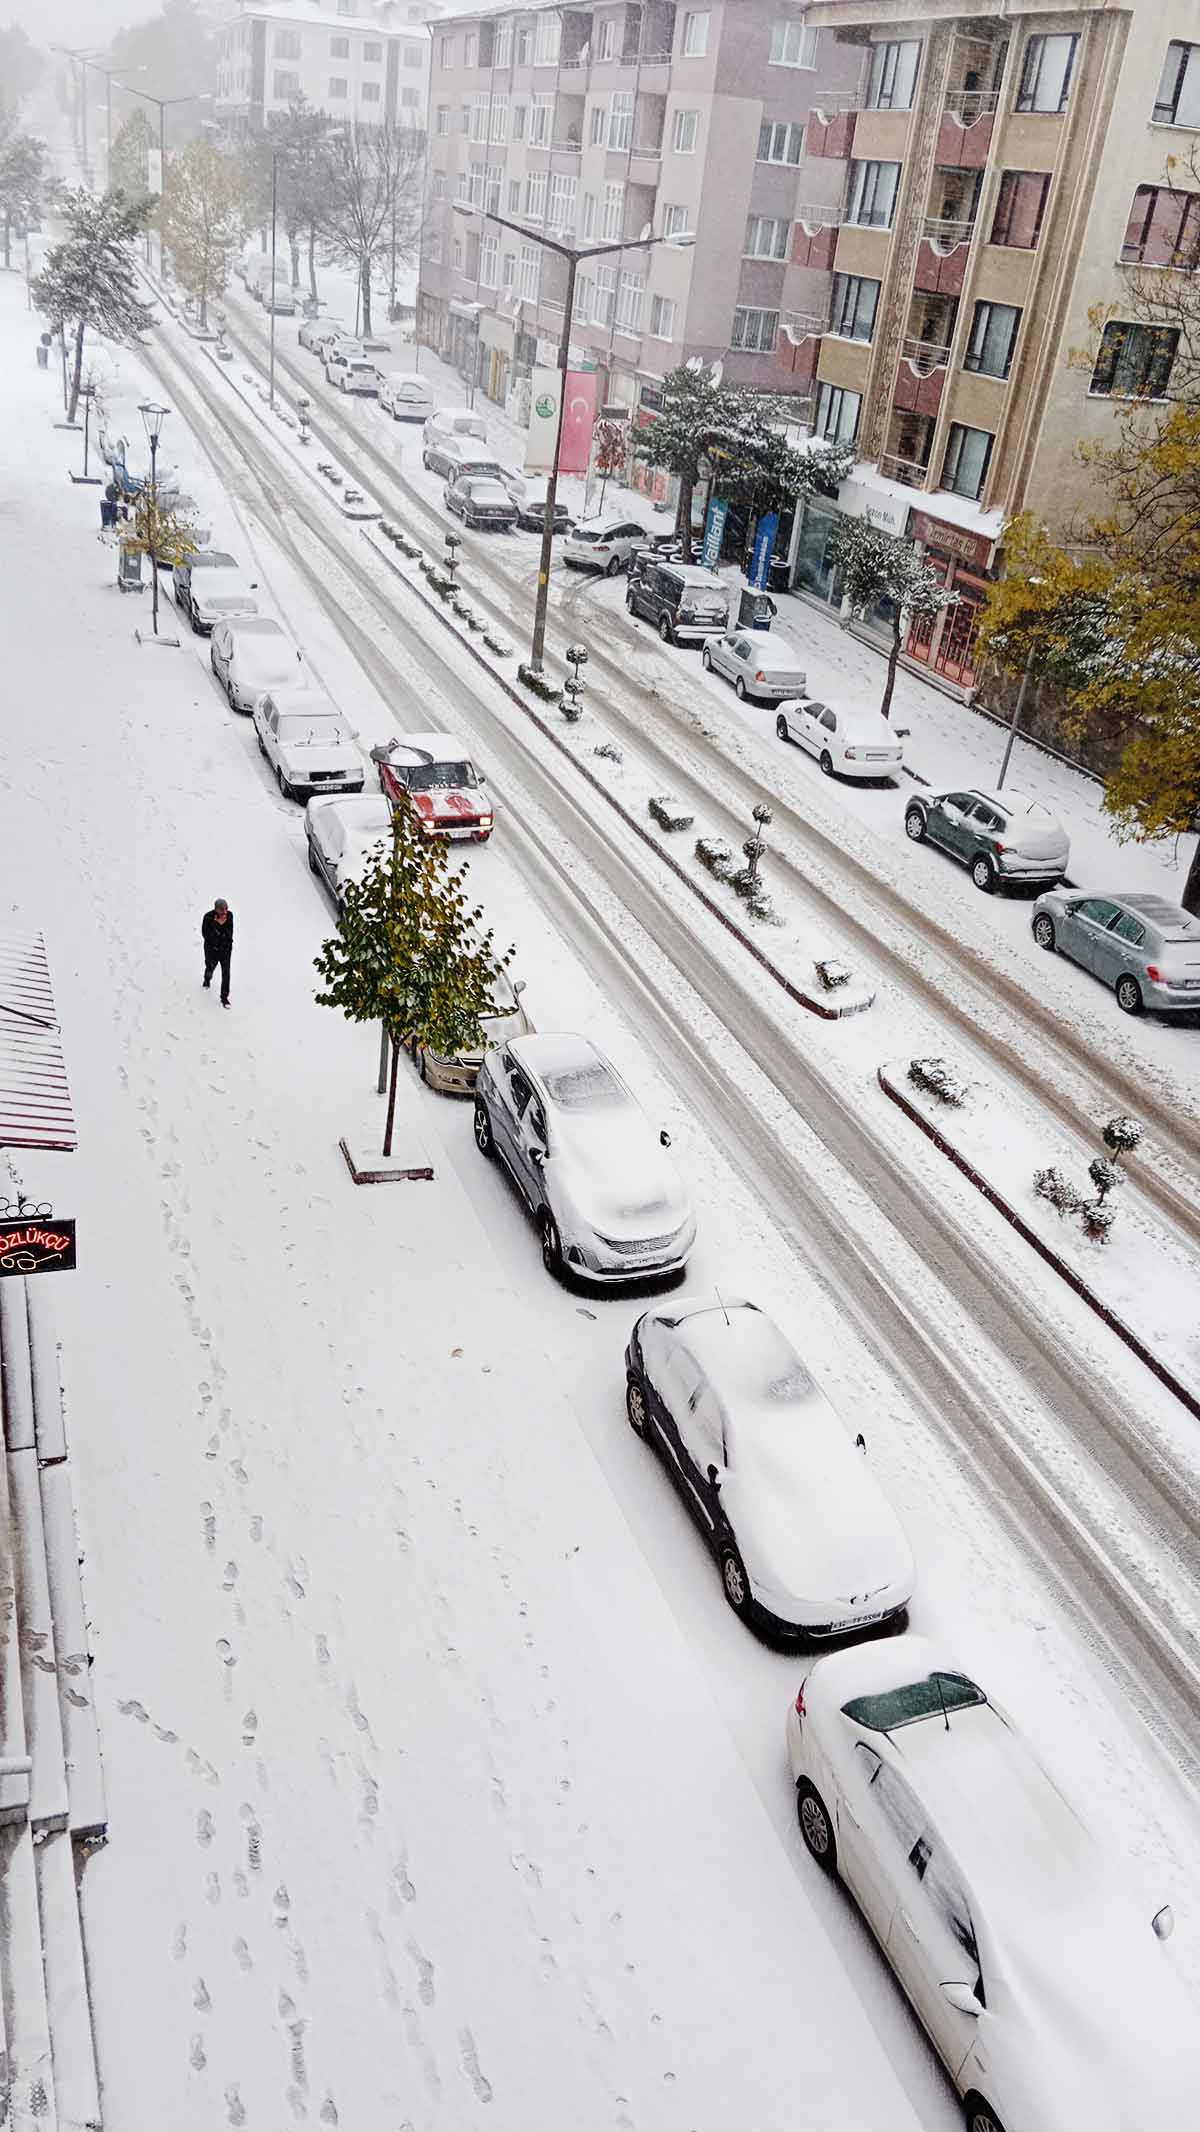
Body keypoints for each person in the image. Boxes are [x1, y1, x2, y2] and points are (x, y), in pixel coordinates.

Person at [201, 900, 234, 1007]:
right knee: (210, 967)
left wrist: (226, 946)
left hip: (225, 950)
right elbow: (207, 936)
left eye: (226, 908)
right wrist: (217, 925)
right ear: (215, 909)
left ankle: (224, 997)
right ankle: (207, 979)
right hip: (212, 950)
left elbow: (228, 934)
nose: (225, 912)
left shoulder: (230, 915)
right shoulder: (208, 917)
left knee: (226, 973)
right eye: (222, 909)